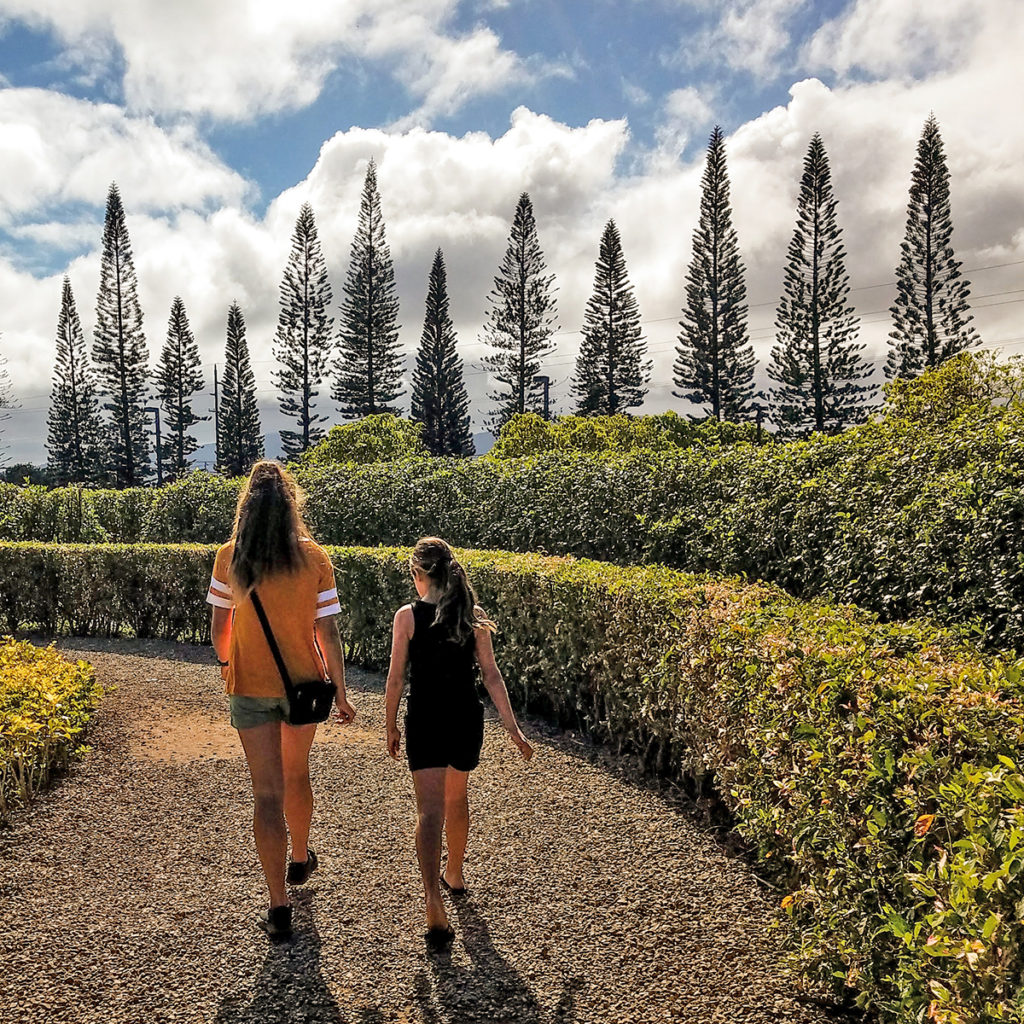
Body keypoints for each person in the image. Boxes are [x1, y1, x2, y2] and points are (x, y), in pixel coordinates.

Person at [207, 460, 356, 940]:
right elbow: (328, 632)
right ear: (291, 505)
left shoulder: (230, 555)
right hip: (304, 687)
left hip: (250, 686)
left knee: (265, 793)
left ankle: (278, 904)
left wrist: (230, 666)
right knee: (298, 774)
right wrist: (343, 691)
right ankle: (299, 857)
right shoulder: (314, 559)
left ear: (246, 506)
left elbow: (219, 628)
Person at [384, 536, 533, 947]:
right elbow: (491, 675)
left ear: (418, 574)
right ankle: (455, 871)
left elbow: (396, 677)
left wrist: (390, 723)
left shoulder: (407, 617)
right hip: (464, 717)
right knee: (457, 799)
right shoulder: (473, 614)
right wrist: (513, 730)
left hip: (426, 719)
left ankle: (433, 899)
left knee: (428, 812)